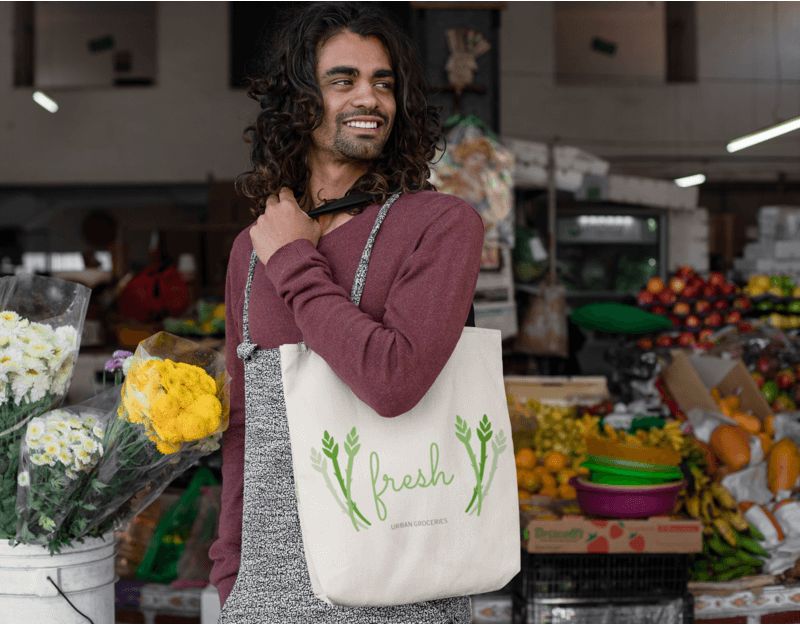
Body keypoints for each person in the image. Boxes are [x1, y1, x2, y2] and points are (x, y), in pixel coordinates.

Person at [209, 2, 484, 622]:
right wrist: (232, 572)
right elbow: (243, 426)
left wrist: (296, 263)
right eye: (344, 80)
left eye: (384, 83)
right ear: (299, 101)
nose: (371, 98)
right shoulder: (249, 251)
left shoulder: (439, 225)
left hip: (401, 584)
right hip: (269, 589)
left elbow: (394, 382)